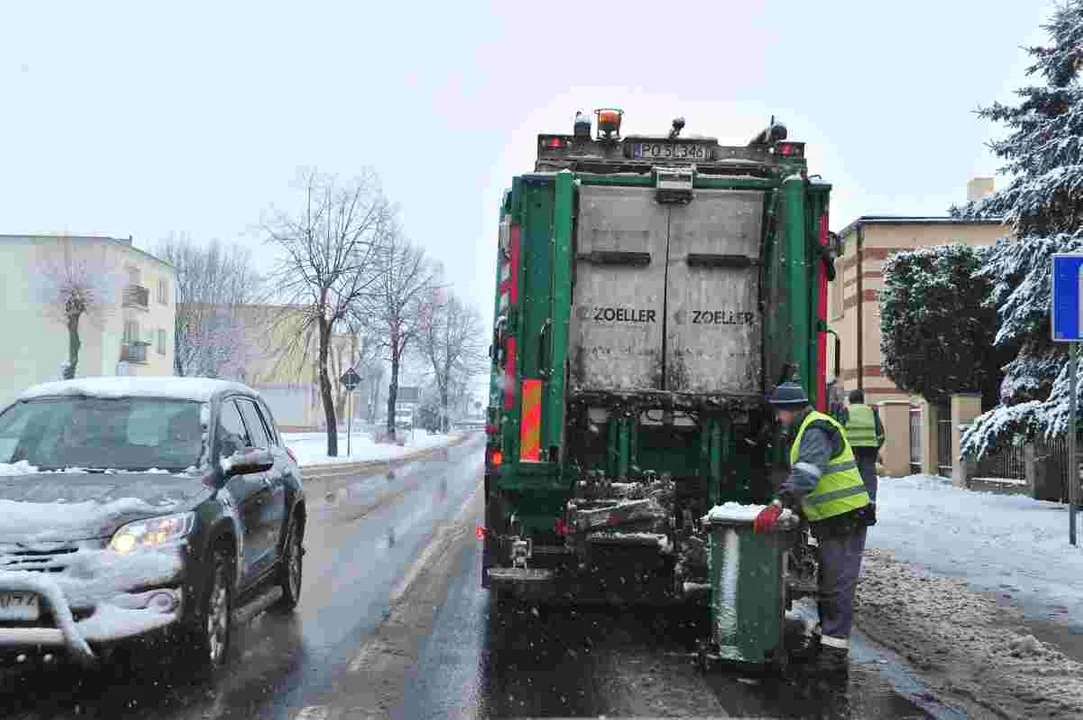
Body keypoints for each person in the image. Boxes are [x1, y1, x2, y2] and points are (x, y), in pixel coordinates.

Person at [753, 381, 875, 681]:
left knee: (837, 587)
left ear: (789, 410)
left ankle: (834, 655)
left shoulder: (815, 430)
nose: (778, 420)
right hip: (834, 521)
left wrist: (781, 503)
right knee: (828, 584)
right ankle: (826, 644)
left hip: (846, 519)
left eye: (779, 413)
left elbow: (807, 474)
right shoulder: (808, 428)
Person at [843, 389, 884, 502]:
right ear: (862, 400)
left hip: (851, 451)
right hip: (869, 451)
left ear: (850, 401)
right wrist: (876, 447)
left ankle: (854, 507)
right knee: (869, 480)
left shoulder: (846, 411)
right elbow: (881, 435)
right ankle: (870, 504)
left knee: (852, 479)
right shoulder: (871, 411)